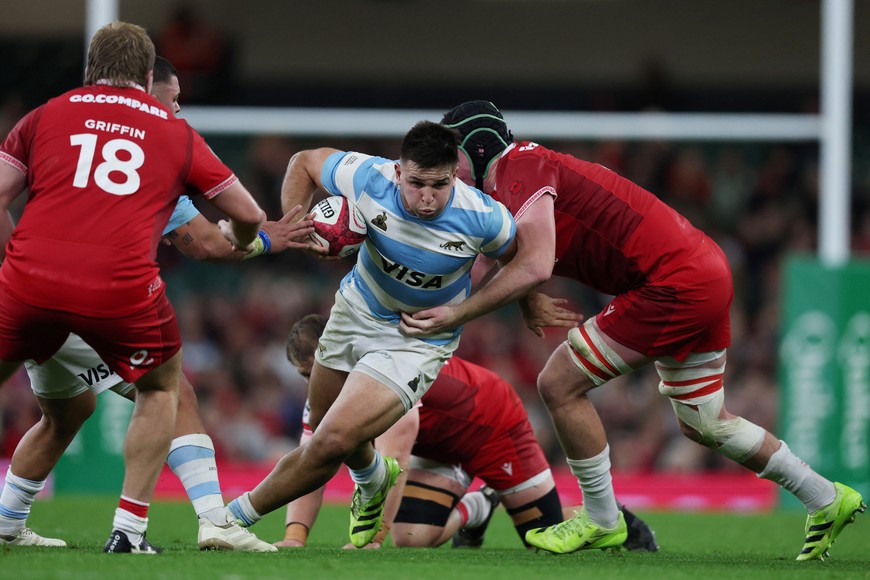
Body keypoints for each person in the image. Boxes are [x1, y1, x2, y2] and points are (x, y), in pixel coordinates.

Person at [399, 101, 865, 560]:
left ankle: (603, 519)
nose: (447, 169)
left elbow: (535, 263)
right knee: (705, 421)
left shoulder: (518, 169)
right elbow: (514, 250)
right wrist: (524, 298)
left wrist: (457, 315)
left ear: (478, 149)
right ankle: (824, 496)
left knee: (558, 383)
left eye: (453, 155)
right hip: (700, 270)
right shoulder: (511, 180)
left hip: (671, 282)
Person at [0, 56, 313, 551]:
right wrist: (265, 240)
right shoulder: (153, 147)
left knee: (67, 413)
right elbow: (205, 244)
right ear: (147, 91)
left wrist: (15, 262)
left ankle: (6, 523)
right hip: (95, 297)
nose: (178, 108)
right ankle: (208, 522)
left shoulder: (60, 125)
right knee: (170, 392)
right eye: (173, 98)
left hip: (31, 292)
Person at [225, 121, 521, 549]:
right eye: (416, 183)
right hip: (355, 311)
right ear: (398, 172)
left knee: (332, 439)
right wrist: (301, 227)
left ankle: (231, 519)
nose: (426, 197)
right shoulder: (368, 176)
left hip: (417, 338)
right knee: (323, 428)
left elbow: (521, 263)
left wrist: (464, 311)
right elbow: (304, 162)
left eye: (438, 185)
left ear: (454, 176)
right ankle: (373, 476)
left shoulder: (484, 217)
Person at [274, 313, 658, 551]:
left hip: (494, 426)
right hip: (437, 445)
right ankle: (479, 506)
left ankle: (614, 518)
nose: (314, 385)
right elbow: (310, 463)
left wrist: (372, 539)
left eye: (316, 373)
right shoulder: (325, 399)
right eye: (306, 377)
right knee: (411, 539)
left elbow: (395, 458)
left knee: (544, 538)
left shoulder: (384, 369)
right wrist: (295, 536)